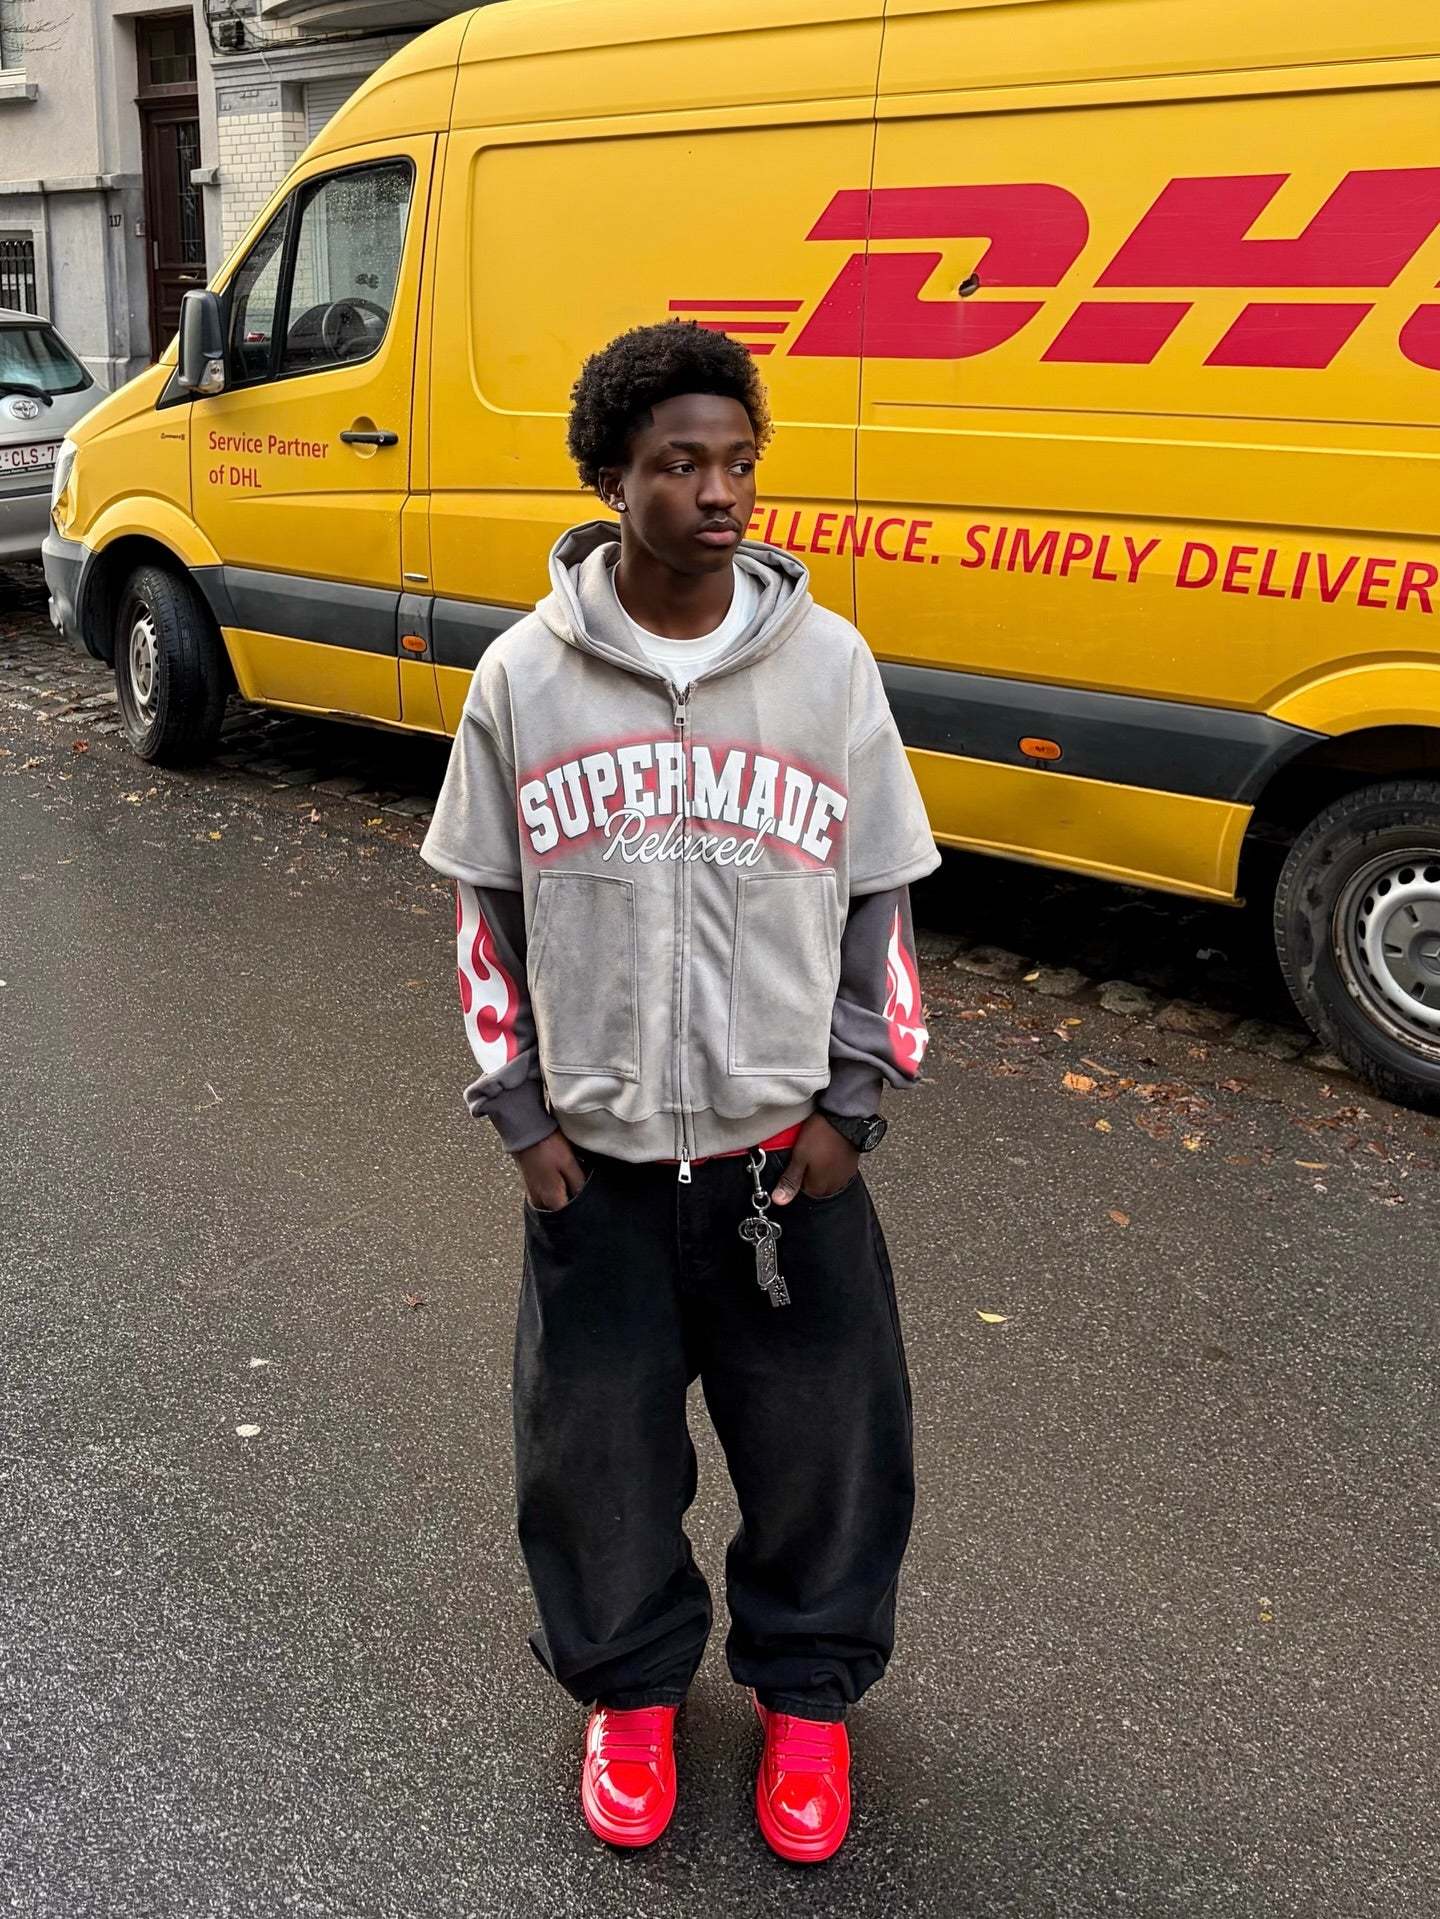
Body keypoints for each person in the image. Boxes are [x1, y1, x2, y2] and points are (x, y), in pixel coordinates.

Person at [420, 320, 939, 1864]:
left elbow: (881, 898)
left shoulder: (828, 668)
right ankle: (632, 1692)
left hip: (788, 1162)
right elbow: (485, 914)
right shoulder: (525, 679)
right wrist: (523, 1116)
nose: (719, 493)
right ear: (611, 478)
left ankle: (807, 1697)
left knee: (826, 1448)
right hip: (599, 1167)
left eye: (738, 464)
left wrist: (851, 1101)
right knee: (595, 1455)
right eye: (679, 464)